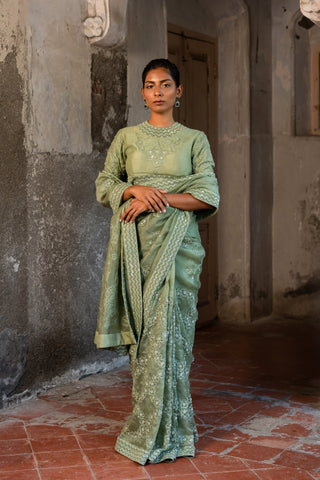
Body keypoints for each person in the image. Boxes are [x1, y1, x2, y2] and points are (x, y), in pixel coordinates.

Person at [94, 58, 220, 465]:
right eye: (150, 85)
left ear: (178, 92)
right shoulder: (126, 137)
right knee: (146, 334)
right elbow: (105, 183)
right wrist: (136, 191)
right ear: (143, 92)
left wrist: (156, 197)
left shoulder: (195, 139)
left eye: (166, 84)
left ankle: (175, 433)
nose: (158, 92)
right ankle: (145, 425)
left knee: (173, 339)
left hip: (178, 247)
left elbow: (207, 194)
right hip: (134, 247)